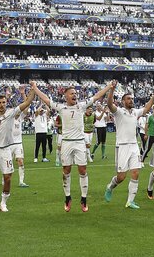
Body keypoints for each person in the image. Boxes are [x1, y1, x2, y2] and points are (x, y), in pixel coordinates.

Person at [32, 82, 112, 212]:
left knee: (82, 170)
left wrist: (108, 87)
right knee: (66, 170)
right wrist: (35, 88)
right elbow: (46, 99)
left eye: (76, 93)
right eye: (72, 93)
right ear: (66, 96)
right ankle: (68, 197)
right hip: (67, 142)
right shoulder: (61, 108)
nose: (75, 95)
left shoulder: (81, 106)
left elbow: (97, 96)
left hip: (80, 142)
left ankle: (84, 198)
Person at [104, 82, 154, 209]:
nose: (131, 101)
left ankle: (130, 201)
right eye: (128, 99)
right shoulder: (118, 112)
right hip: (122, 146)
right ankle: (110, 186)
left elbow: (146, 109)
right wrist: (111, 90)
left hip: (134, 146)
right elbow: (109, 104)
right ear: (123, 101)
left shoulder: (135, 112)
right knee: (121, 177)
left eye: (132, 99)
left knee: (135, 173)